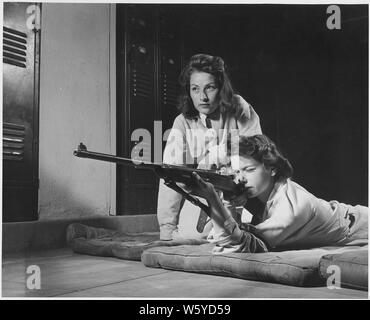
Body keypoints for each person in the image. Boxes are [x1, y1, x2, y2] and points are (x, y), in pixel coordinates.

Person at [190, 134, 368, 253]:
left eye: (249, 170)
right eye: (236, 172)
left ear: (272, 169)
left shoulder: (291, 208)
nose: (240, 179)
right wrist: (228, 200)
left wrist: (214, 200)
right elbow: (229, 232)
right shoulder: (268, 193)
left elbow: (238, 245)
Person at [157, 54, 262, 240]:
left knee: (263, 233)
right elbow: (170, 175)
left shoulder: (238, 107)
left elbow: (258, 155)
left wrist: (245, 191)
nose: (202, 97)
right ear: (188, 91)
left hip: (245, 195)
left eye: (210, 88)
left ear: (221, 88)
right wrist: (166, 230)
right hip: (204, 195)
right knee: (190, 237)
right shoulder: (182, 122)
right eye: (195, 89)